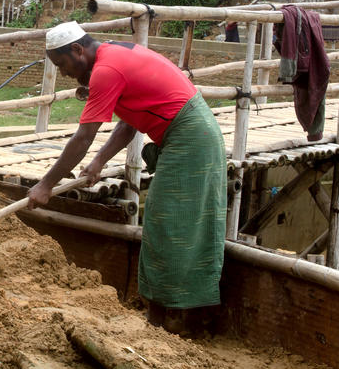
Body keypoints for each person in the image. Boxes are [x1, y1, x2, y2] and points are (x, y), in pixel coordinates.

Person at [28, 21, 226, 335]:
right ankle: (174, 317)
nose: (64, 73)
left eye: (63, 64)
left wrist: (46, 184)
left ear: (78, 50)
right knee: (178, 220)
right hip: (189, 133)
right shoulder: (113, 54)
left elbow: (83, 137)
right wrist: (99, 162)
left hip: (190, 138)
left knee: (167, 222)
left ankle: (166, 321)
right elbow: (128, 123)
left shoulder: (106, 71)